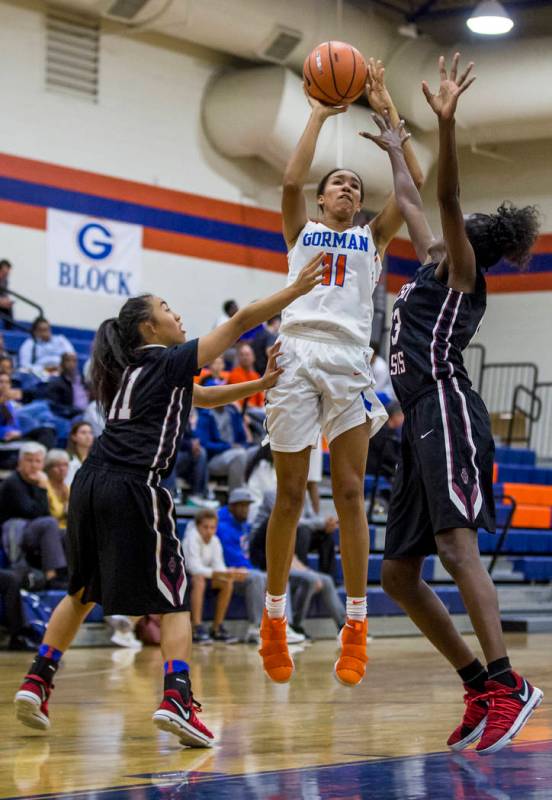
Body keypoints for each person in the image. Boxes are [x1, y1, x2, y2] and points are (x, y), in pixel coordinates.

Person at [13, 254, 324, 747]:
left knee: (81, 591)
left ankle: (37, 681)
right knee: (175, 594)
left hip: (91, 483)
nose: (177, 315)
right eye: (167, 307)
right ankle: (177, 699)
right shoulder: (166, 359)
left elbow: (199, 400)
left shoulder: (129, 371)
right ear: (146, 326)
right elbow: (242, 321)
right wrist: (298, 289)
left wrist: (261, 385)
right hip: (136, 484)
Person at [363, 54, 542, 755]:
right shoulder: (436, 254)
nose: (451, 221)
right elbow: (411, 191)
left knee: (456, 547)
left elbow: (439, 196)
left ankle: (507, 683)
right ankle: (475, 684)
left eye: (465, 221)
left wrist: (448, 124)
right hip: (416, 425)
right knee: (399, 576)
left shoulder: (464, 273)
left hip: (449, 411)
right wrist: (390, 118)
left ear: (476, 240)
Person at [260, 58, 424, 686]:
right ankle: (275, 617)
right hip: (299, 355)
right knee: (292, 496)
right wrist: (319, 113)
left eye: (356, 184)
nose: (348, 188)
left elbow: (408, 189)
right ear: (323, 198)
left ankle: (357, 622)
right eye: (339, 183)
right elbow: (288, 180)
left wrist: (386, 112)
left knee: (351, 494)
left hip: (352, 362)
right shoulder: (300, 229)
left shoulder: (373, 238)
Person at [250, 490, 345, 638]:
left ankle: (343, 625)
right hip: (267, 566)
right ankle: (286, 625)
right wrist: (310, 574)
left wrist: (310, 572)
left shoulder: (288, 524)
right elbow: (280, 559)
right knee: (309, 579)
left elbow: (291, 557)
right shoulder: (273, 523)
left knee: (325, 580)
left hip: (285, 564)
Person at [216, 488, 304, 646]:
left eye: (247, 506)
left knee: (277, 578)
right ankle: (257, 626)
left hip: (247, 571)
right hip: (228, 573)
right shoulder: (222, 527)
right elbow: (233, 558)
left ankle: (284, 624)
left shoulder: (245, 526)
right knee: (257, 577)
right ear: (232, 506)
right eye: (241, 505)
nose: (246, 509)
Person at [0, 442, 67, 587]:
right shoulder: (13, 482)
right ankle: (51, 577)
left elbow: (45, 512)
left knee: (66, 533)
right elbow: (31, 512)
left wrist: (41, 488)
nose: (34, 465)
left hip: (34, 530)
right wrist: (42, 489)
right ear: (20, 462)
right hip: (15, 531)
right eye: (29, 461)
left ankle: (70, 575)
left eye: (38, 461)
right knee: (49, 523)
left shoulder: (37, 481)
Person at [182, 509, 243, 644]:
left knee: (227, 582)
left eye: (213, 527)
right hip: (185, 579)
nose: (209, 531)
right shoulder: (191, 538)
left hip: (205, 576)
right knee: (199, 580)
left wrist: (228, 573)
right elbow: (193, 568)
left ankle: (217, 628)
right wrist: (218, 573)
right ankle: (196, 627)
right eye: (205, 527)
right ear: (198, 526)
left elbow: (219, 566)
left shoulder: (215, 541)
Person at [197, 403, 258, 491]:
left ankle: (254, 491)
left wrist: (244, 446)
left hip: (237, 451)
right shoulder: (206, 415)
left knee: (258, 451)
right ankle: (236, 496)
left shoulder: (232, 412)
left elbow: (243, 439)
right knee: (239, 455)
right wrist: (228, 446)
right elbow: (204, 444)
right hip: (215, 458)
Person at [46, 353, 89, 418]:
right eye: (68, 361)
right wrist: (76, 411)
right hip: (72, 416)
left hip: (88, 412)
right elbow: (56, 406)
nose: (71, 364)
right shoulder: (56, 383)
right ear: (62, 364)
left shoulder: (83, 380)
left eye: (74, 361)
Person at [227, 344, 264, 410]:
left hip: (257, 410)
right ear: (238, 358)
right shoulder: (234, 374)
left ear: (253, 357)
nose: (245, 357)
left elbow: (261, 400)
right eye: (242, 355)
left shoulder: (256, 375)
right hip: (243, 410)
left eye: (247, 354)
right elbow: (238, 401)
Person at [44, 450, 70, 530]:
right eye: (57, 465)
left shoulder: (70, 488)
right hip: (52, 530)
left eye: (65, 465)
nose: (62, 469)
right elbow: (54, 514)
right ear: (48, 468)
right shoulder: (44, 488)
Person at [0, 259, 14, 328]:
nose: (5, 275)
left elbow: (4, 294)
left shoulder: (5, 281)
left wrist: (7, 301)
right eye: (4, 273)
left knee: (8, 307)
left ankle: (9, 330)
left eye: (7, 273)